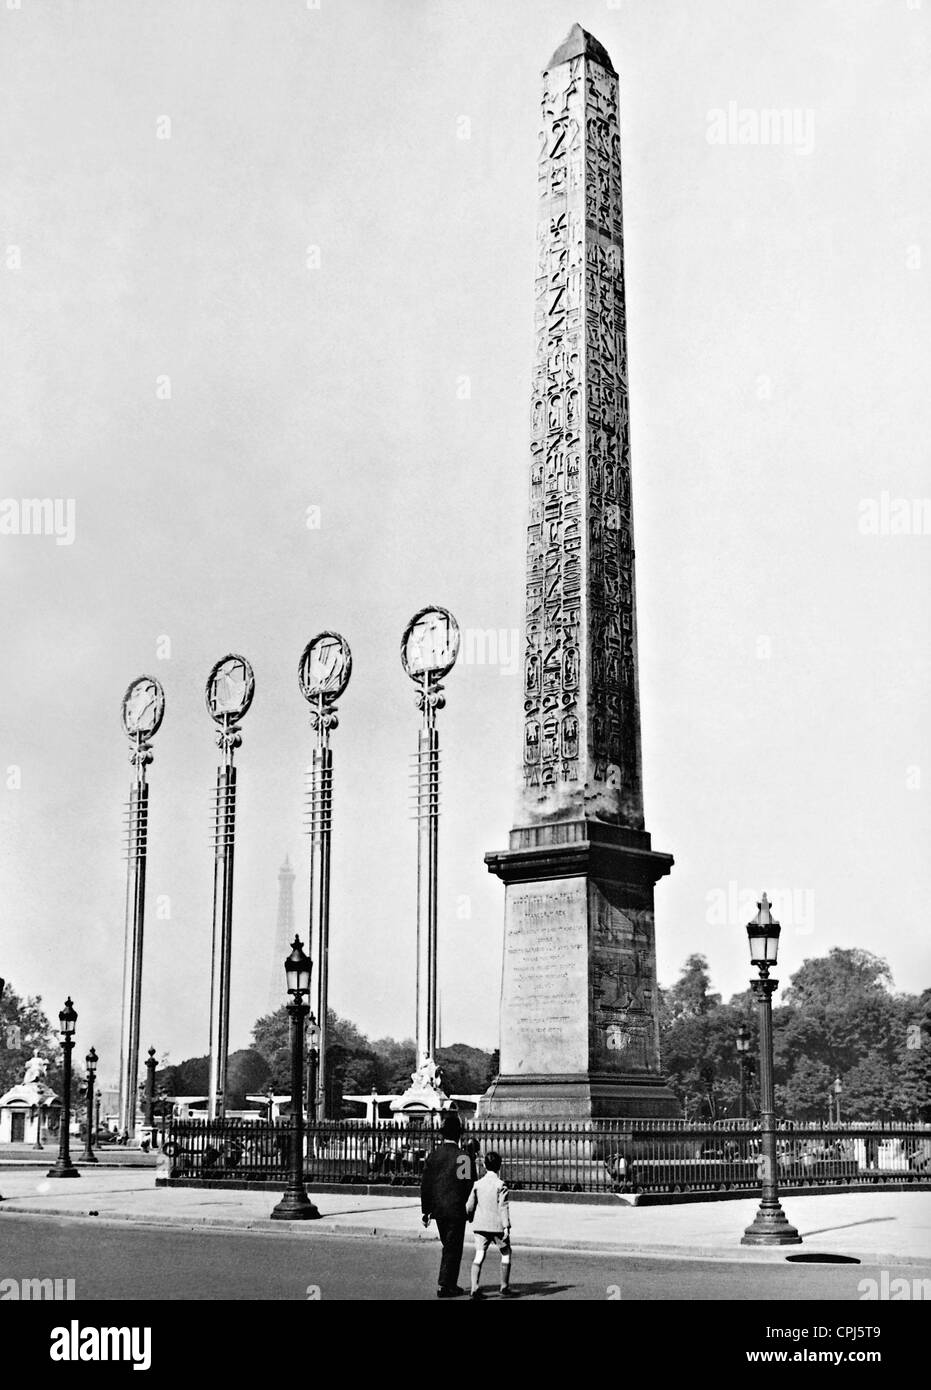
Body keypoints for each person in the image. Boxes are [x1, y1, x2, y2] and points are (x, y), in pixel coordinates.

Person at [420, 1111, 476, 1298]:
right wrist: (470, 1209)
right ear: (459, 1134)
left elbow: (426, 1185)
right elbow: (468, 1185)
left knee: (448, 1244)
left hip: (438, 1209)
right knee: (453, 1247)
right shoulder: (463, 1157)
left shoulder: (433, 1156)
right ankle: (445, 1284)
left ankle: (449, 1282)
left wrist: (426, 1211)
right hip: (456, 1208)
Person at [465, 1151, 513, 1299]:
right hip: (497, 1226)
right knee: (506, 1252)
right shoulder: (501, 1184)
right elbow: (503, 1207)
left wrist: (469, 1217)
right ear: (499, 1166)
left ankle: (474, 1288)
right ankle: (504, 1286)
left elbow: (470, 1206)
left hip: (480, 1226)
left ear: (484, 1165)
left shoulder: (477, 1184)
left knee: (479, 1255)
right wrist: (506, 1226)